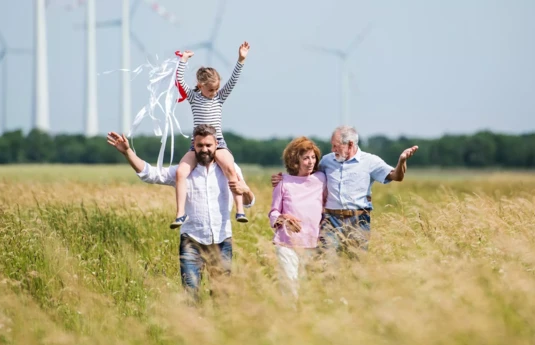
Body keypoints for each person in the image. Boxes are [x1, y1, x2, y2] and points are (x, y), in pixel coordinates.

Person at [107, 124, 256, 302]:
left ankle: (218, 329)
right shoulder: (183, 172)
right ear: (194, 145)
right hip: (191, 241)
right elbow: (150, 174)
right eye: (200, 146)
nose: (204, 150)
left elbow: (249, 203)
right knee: (190, 295)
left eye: (208, 145)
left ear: (216, 144)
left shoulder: (231, 169)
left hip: (222, 240)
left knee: (222, 296)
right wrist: (128, 153)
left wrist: (246, 190)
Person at [272, 125, 418, 259]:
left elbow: (396, 176)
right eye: (332, 145)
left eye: (336, 146)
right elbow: (306, 177)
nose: (332, 149)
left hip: (358, 220)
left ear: (350, 145)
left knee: (356, 264)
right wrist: (284, 178)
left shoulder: (370, 161)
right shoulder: (326, 161)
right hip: (331, 219)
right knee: (327, 264)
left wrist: (402, 161)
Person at [172, 41, 251, 229]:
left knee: (231, 170)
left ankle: (240, 209)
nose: (213, 92)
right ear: (200, 85)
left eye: (216, 89)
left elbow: (233, 80)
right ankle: (180, 213)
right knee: (180, 172)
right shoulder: (193, 97)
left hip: (218, 142)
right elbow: (180, 81)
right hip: (197, 144)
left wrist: (241, 59)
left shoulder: (219, 97)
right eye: (210, 89)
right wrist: (183, 60)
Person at [268, 137, 327, 300]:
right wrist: (282, 218)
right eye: (306, 158)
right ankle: (289, 320)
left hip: (312, 243)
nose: (310, 162)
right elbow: (273, 212)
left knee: (308, 289)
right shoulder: (283, 182)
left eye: (313, 157)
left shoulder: (321, 179)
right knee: (289, 286)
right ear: (295, 160)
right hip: (287, 243)